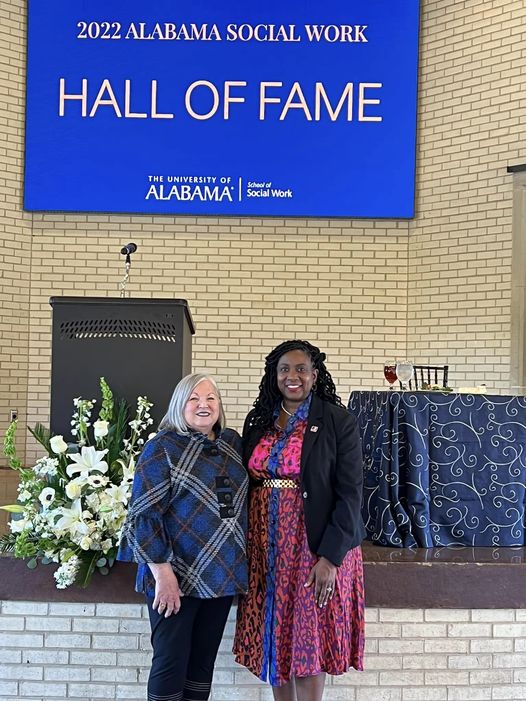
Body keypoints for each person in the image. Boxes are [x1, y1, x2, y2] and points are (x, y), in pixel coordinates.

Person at [233, 340, 365, 701]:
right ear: (273, 376)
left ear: (314, 374)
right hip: (266, 545)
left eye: (301, 369)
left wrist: (330, 558)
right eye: (284, 370)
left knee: (308, 639)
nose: (293, 377)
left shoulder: (336, 420)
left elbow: (351, 493)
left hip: (313, 545)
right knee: (275, 635)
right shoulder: (259, 420)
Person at [118, 373, 248, 701]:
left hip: (220, 573)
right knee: (169, 662)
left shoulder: (232, 443)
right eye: (194, 399)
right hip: (175, 573)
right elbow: (142, 516)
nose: (203, 405)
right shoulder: (161, 447)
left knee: (202, 664)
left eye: (210, 399)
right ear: (180, 405)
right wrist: (162, 574)